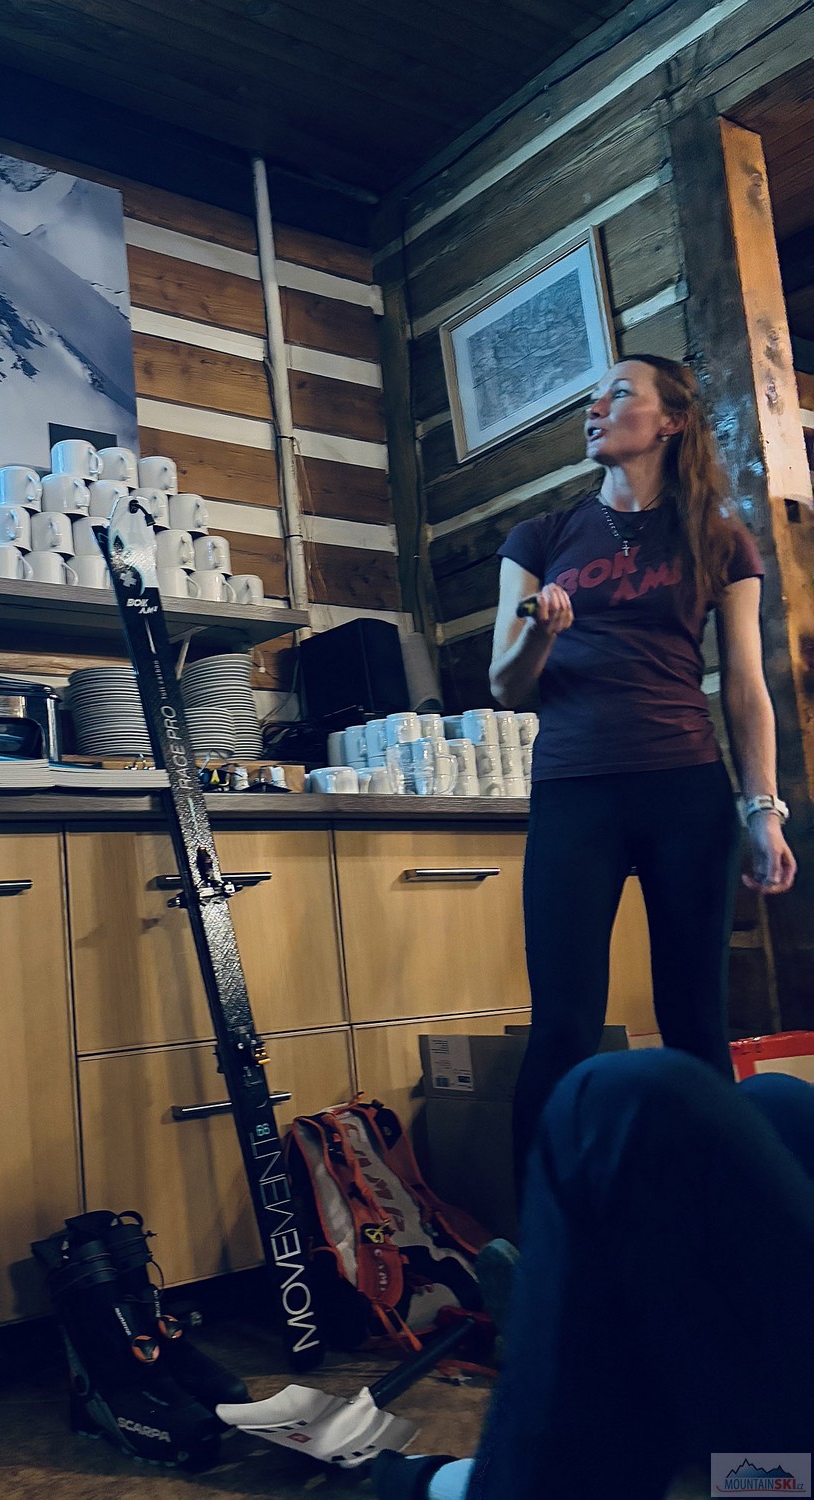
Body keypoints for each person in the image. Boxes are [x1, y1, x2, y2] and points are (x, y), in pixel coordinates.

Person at [487, 355, 797, 1185]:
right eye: (591, 398)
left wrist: (762, 810)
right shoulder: (538, 539)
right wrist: (540, 633)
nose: (594, 407)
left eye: (618, 393)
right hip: (574, 791)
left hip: (683, 791)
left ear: (670, 421)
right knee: (562, 1025)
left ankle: (718, 1213)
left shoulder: (717, 540)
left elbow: (743, 684)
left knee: (694, 1019)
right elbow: (505, 686)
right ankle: (540, 1232)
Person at [371, 1047, 814, 1500]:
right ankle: (604, 1375)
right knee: (774, 1102)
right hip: (779, 1473)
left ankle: (526, 1466)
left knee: (623, 1095)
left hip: (780, 1478)